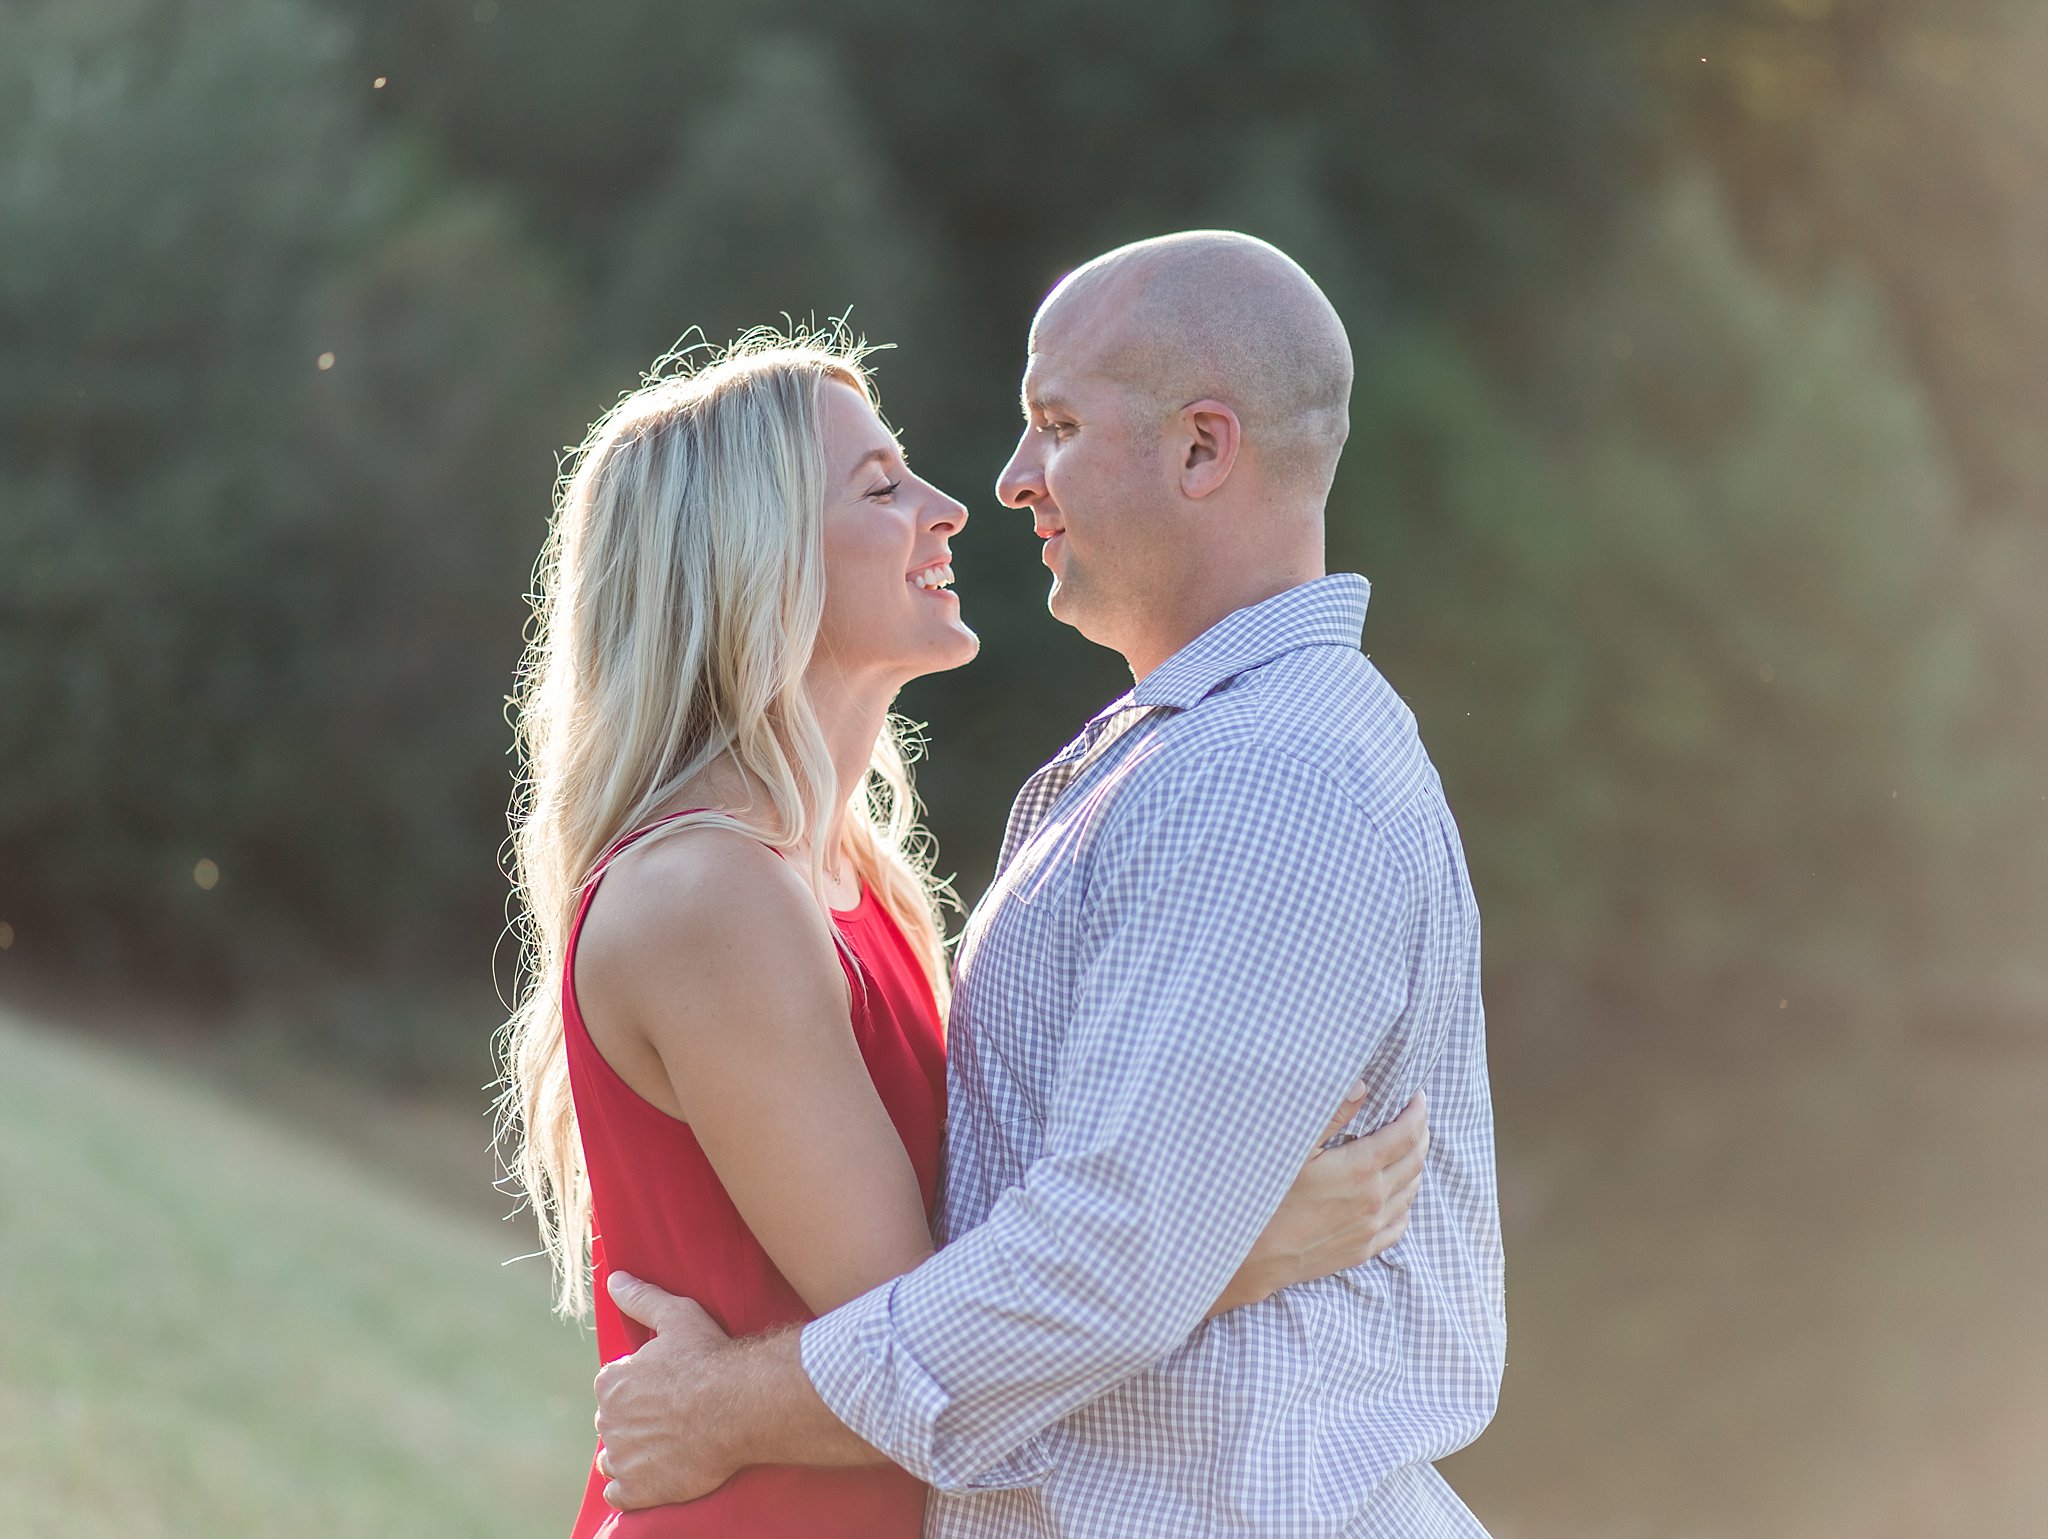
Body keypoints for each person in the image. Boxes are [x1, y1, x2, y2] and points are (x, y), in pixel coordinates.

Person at [593, 233, 1506, 1537]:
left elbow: (1101, 1262)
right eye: (883, 486)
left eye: (1058, 425)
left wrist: (720, 1410)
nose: (1001, 486)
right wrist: (1209, 1250)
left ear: (1203, 451)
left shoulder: (1269, 778)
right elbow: (1097, 1255)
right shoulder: (1184, 757)